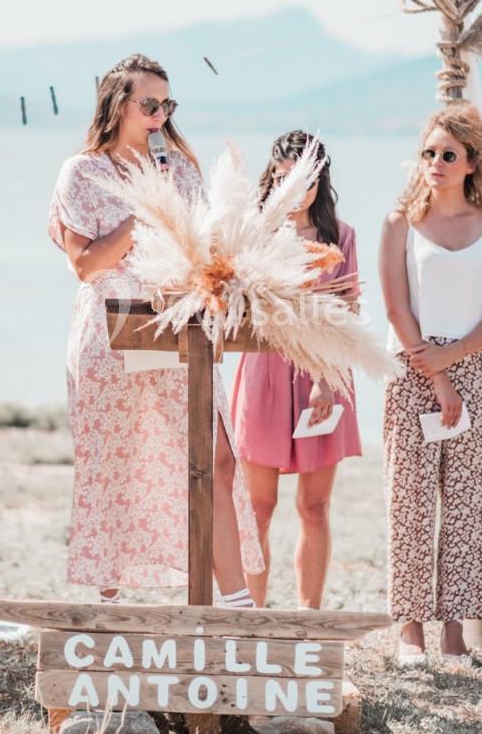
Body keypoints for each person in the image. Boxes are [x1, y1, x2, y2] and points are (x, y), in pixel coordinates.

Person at [48, 53, 263, 605]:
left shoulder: (183, 168)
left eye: (168, 104)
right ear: (119, 105)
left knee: (215, 456)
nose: (161, 116)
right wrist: (145, 207)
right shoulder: (83, 172)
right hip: (111, 328)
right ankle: (110, 608)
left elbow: (203, 249)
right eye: (150, 104)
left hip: (178, 324)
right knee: (115, 463)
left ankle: (234, 608)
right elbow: (85, 264)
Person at [378, 103, 482, 666]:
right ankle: (410, 628)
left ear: (471, 163)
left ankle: (454, 630)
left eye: (448, 155)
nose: (435, 162)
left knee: (467, 502)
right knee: (409, 500)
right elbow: (395, 307)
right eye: (429, 152)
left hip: (478, 367)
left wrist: (455, 364)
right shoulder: (399, 223)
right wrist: (438, 377)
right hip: (412, 369)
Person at [231, 131, 361, 609]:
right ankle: (256, 618)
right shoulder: (252, 232)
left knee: (313, 507)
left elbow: (347, 312)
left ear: (319, 181)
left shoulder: (341, 236)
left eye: (303, 181)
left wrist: (326, 381)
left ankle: (309, 616)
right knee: (257, 509)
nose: (293, 190)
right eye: (284, 179)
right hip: (263, 373)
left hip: (322, 374)